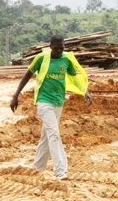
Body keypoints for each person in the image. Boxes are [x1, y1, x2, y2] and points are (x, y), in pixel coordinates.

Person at [10, 35, 92, 180]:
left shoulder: (66, 60)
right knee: (54, 133)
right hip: (43, 101)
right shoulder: (41, 58)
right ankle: (60, 170)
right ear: (50, 46)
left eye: (62, 48)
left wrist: (85, 91)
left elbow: (74, 78)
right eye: (56, 48)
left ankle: (38, 167)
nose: (59, 51)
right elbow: (27, 75)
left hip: (58, 102)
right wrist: (16, 95)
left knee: (47, 137)